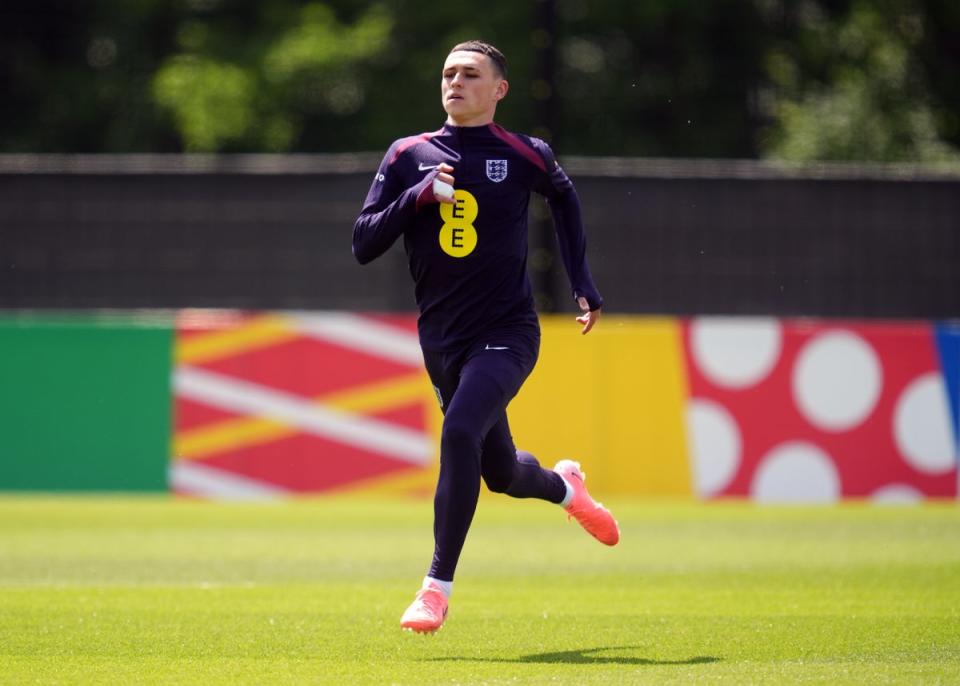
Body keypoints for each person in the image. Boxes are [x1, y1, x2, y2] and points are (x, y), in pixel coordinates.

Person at [353, 40, 619, 634]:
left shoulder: (523, 153)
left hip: (507, 332)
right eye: (448, 72)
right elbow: (363, 242)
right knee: (499, 473)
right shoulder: (408, 154)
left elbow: (565, 197)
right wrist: (416, 197)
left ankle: (434, 590)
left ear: (499, 89)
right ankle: (566, 489)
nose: (455, 82)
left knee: (461, 430)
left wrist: (583, 280)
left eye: (470, 74)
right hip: (441, 340)